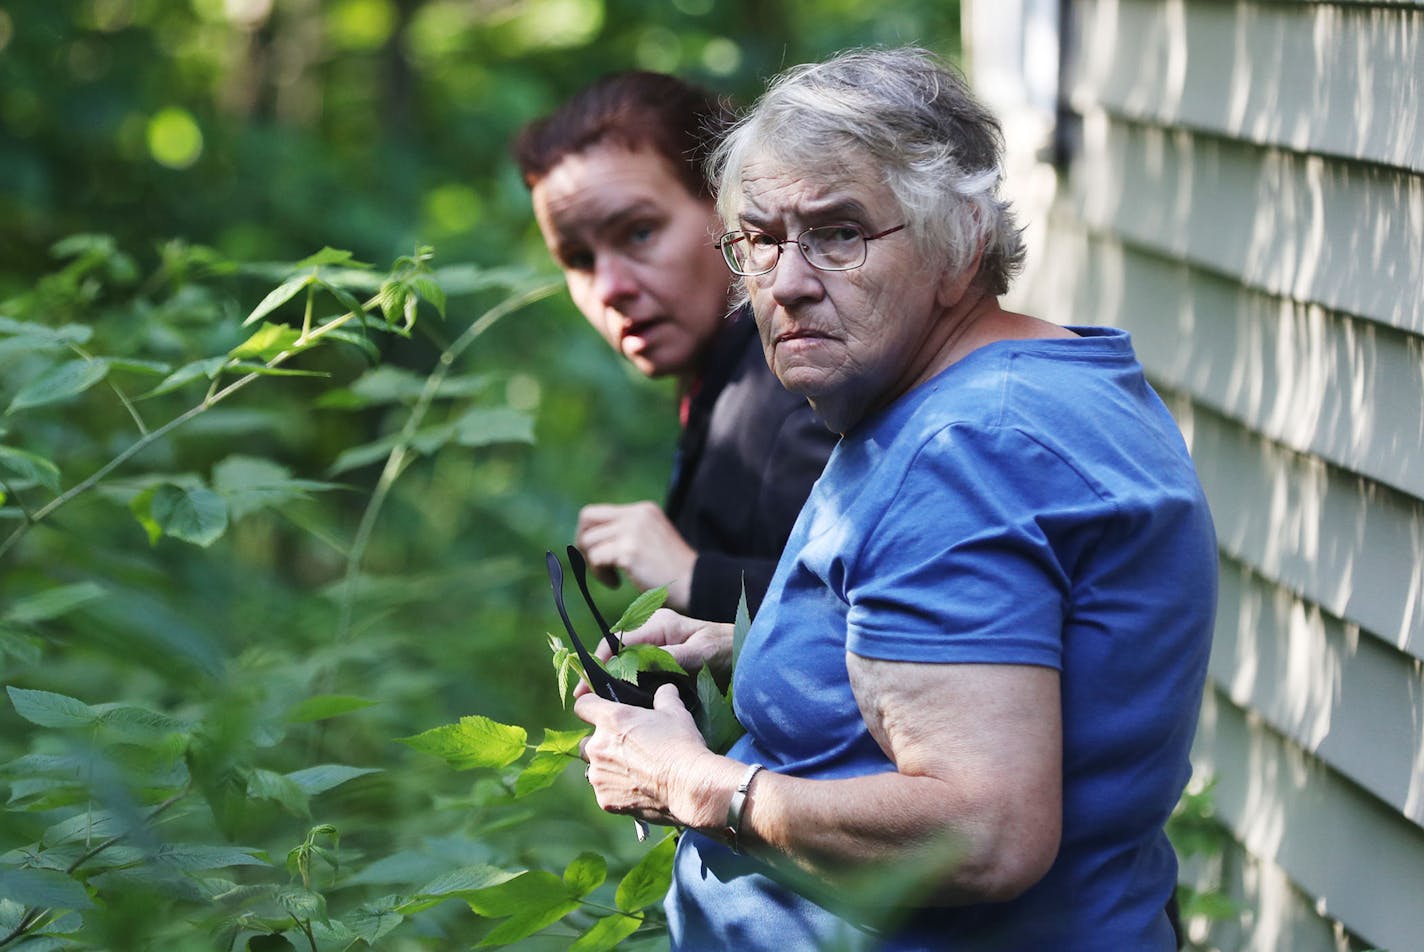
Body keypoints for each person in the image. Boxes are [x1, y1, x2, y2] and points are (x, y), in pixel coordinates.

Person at [573, 47, 1217, 950]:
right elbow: (1015, 652)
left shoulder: (968, 451)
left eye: (839, 233)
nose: (787, 282)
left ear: (962, 241)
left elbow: (982, 833)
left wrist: (694, 784)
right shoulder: (1037, 379)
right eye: (759, 239)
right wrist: (776, 650)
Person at [513, 72, 837, 621]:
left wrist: (690, 575)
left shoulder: (798, 389)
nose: (609, 287)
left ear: (731, 207)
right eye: (579, 259)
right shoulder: (727, 378)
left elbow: (877, 621)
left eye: (639, 232)